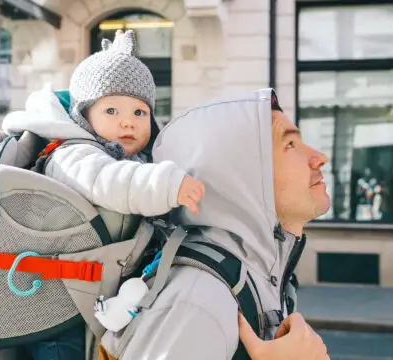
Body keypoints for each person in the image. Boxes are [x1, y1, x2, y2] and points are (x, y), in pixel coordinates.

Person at [1, 29, 204, 360]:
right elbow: (111, 182)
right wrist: (168, 185)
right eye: (112, 111)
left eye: (139, 113)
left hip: (92, 300)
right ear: (84, 115)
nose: (128, 122)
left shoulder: (132, 159)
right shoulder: (72, 153)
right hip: (57, 309)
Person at [99, 88, 331, 359]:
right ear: (243, 174)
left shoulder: (255, 271)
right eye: (290, 145)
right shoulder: (200, 301)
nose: (319, 157)